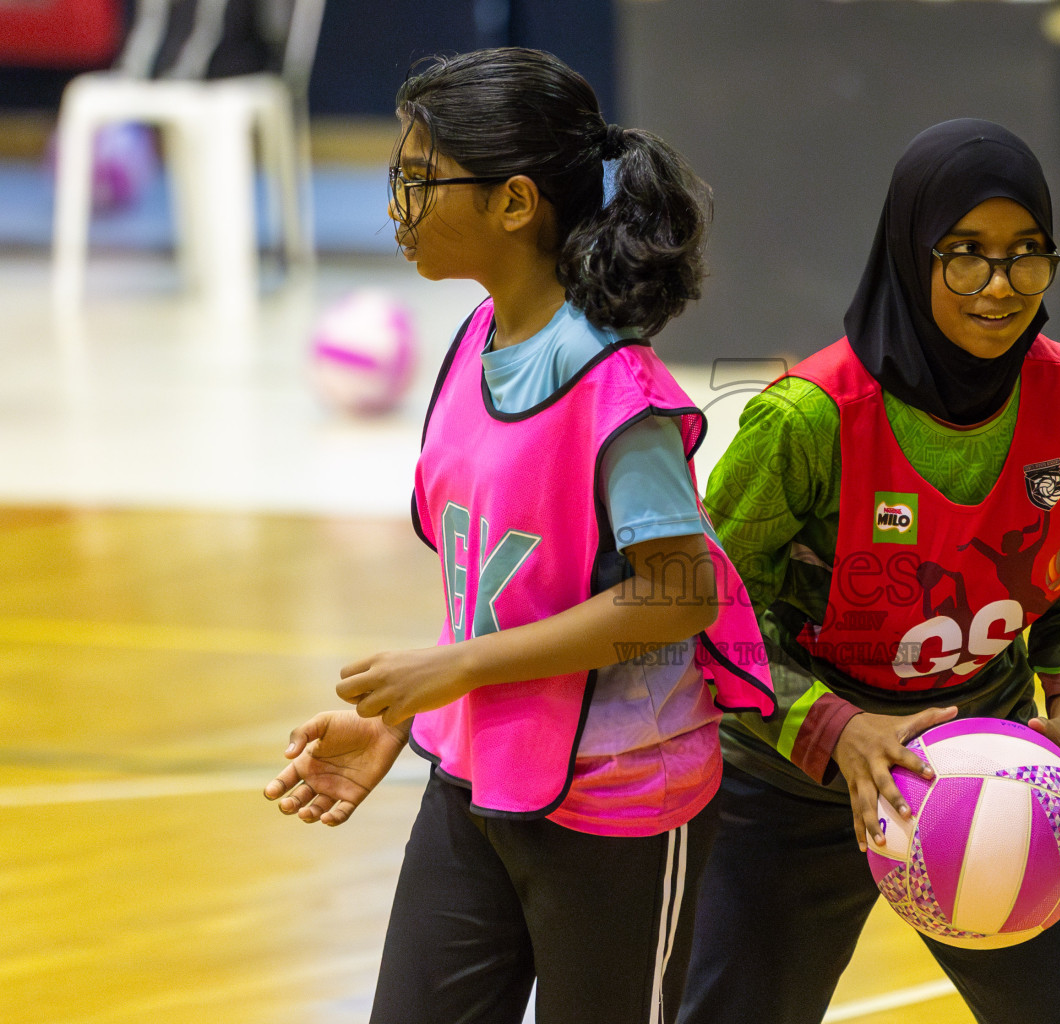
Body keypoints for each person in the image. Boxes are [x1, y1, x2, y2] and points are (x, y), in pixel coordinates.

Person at [261, 48, 773, 1024]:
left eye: (422, 177)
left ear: (515, 203)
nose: (399, 202)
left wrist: (451, 670)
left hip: (622, 797)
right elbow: (503, 584)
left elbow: (680, 593)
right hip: (479, 773)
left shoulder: (616, 390)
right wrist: (402, 717)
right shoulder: (474, 342)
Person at [679, 119, 1060, 1024]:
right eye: (965, 255)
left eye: (1027, 254)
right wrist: (839, 730)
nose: (1000, 286)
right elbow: (703, 610)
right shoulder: (806, 421)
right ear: (910, 253)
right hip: (790, 783)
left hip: (988, 769)